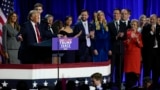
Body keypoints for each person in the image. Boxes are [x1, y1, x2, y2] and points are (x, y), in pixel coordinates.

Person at [108, 8, 126, 89]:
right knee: (111, 68)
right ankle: (110, 83)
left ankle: (119, 83)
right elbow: (108, 38)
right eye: (114, 13)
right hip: (112, 49)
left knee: (120, 68)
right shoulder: (109, 24)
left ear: (120, 15)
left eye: (117, 13)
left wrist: (123, 36)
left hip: (121, 49)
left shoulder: (123, 24)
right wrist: (116, 36)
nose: (116, 15)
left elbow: (126, 36)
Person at [142, 14, 160, 90]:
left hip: (158, 52)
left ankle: (155, 85)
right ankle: (146, 86)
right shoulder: (146, 27)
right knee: (147, 69)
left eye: (153, 19)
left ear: (156, 19)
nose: (152, 20)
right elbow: (145, 39)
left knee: (157, 69)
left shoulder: (159, 27)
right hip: (149, 52)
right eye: (151, 19)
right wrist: (152, 32)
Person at [123, 19, 143, 89]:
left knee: (135, 72)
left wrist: (137, 40)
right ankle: (128, 86)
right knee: (128, 72)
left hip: (136, 55)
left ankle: (134, 86)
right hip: (129, 55)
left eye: (135, 25)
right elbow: (125, 43)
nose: (133, 26)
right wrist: (129, 39)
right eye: (132, 24)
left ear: (137, 26)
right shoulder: (127, 33)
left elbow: (141, 45)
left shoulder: (139, 34)